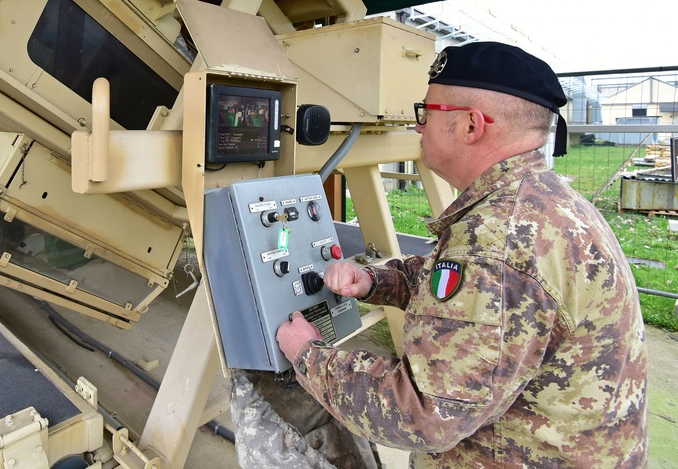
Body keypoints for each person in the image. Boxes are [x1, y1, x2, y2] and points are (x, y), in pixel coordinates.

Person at [276, 42, 648, 467]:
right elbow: (465, 291)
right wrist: (379, 281)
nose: (419, 127)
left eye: (427, 113)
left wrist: (308, 355)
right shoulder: (543, 202)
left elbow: (420, 416)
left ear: (471, 125)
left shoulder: (498, 241)